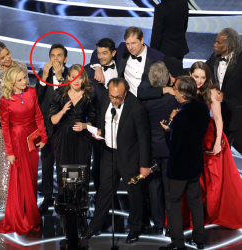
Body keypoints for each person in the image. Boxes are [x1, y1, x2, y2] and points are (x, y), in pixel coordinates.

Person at [83, 78, 151, 244]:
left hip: (129, 156)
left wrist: (144, 165)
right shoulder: (105, 98)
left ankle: (135, 228)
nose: (114, 100)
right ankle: (95, 225)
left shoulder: (136, 108)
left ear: (125, 93)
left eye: (118, 97)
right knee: (105, 190)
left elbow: (144, 138)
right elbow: (102, 120)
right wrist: (100, 131)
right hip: (108, 153)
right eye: (112, 96)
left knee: (134, 194)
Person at [181, 61, 242, 232]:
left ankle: (212, 212)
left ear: (207, 78)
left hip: (209, 137)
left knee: (213, 179)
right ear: (190, 74)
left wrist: (217, 142)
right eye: (196, 76)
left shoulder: (212, 92)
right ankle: (194, 214)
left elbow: (218, 118)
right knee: (194, 180)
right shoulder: (185, 88)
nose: (199, 81)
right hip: (190, 138)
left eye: (203, 77)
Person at [0, 65, 48, 235]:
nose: (24, 81)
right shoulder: (5, 101)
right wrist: (10, 152)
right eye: (20, 79)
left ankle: (29, 212)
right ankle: (22, 217)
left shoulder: (31, 92)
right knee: (21, 179)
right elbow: (5, 128)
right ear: (12, 82)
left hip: (32, 139)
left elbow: (38, 115)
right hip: (17, 141)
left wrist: (43, 136)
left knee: (32, 176)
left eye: (24, 78)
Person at [159, 76, 210, 250]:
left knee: (173, 203)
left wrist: (168, 131)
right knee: (195, 201)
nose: (173, 91)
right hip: (195, 164)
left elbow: (174, 147)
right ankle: (200, 239)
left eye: (175, 88)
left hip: (179, 168)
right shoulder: (203, 108)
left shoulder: (181, 117)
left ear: (181, 94)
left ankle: (177, 242)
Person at [0, 40, 29, 213]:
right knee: (4, 161)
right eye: (2, 57)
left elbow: (25, 90)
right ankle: (4, 203)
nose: (7, 59)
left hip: (21, 120)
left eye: (8, 54)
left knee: (23, 159)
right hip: (3, 122)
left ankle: (23, 197)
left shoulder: (21, 66)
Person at [142, 62, 178, 235]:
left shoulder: (144, 101)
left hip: (151, 151)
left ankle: (158, 225)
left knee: (154, 187)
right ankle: (171, 225)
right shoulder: (174, 100)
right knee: (170, 189)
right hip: (170, 150)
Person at [35, 43, 69, 215]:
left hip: (65, 127)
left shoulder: (71, 74)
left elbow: (68, 98)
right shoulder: (44, 74)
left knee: (63, 165)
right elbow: (37, 97)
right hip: (47, 127)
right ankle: (48, 197)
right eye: (53, 56)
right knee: (47, 164)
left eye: (59, 55)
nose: (55, 59)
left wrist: (61, 77)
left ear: (65, 58)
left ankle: (63, 197)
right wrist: (44, 77)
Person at [49, 64, 97, 177]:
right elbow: (52, 120)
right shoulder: (59, 93)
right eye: (74, 77)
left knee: (81, 174)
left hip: (82, 138)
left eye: (80, 78)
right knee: (64, 174)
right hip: (62, 138)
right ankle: (64, 195)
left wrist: (85, 125)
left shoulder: (90, 95)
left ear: (83, 79)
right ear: (69, 77)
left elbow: (93, 119)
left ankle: (81, 195)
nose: (76, 81)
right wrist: (62, 111)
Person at [90, 26, 165, 97]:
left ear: (141, 40)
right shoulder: (122, 49)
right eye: (128, 44)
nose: (130, 47)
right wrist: (98, 68)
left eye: (133, 43)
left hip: (148, 99)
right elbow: (100, 51)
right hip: (127, 101)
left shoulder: (157, 57)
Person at [84, 38, 117, 197]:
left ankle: (113, 194)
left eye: (105, 53)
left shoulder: (123, 66)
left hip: (119, 123)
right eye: (99, 53)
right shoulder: (88, 71)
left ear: (114, 53)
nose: (101, 56)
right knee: (97, 164)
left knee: (117, 162)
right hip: (98, 124)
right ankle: (100, 195)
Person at [206, 28, 242, 156]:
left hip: (238, 119)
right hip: (221, 116)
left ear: (229, 46)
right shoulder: (214, 58)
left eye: (219, 43)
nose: (215, 45)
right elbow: (202, 72)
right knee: (219, 153)